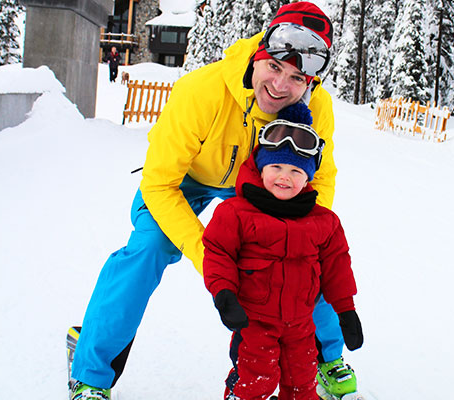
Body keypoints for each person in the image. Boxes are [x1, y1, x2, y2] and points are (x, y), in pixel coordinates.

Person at [69, 2, 359, 400]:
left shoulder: (315, 104)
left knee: (307, 249)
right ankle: (90, 374)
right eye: (274, 68)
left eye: (296, 78)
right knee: (148, 247)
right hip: (185, 179)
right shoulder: (200, 91)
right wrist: (206, 251)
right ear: (258, 56)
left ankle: (324, 358)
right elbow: (158, 184)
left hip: (264, 182)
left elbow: (320, 176)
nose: (280, 86)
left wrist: (303, 231)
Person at [203, 102, 363, 400]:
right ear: (261, 168)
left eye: (295, 170)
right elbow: (217, 252)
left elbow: (337, 267)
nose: (284, 177)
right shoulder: (236, 213)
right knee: (254, 380)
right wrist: (224, 293)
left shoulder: (323, 221)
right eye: (276, 166)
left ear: (308, 176)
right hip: (253, 323)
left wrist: (346, 309)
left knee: (302, 383)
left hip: (302, 325)